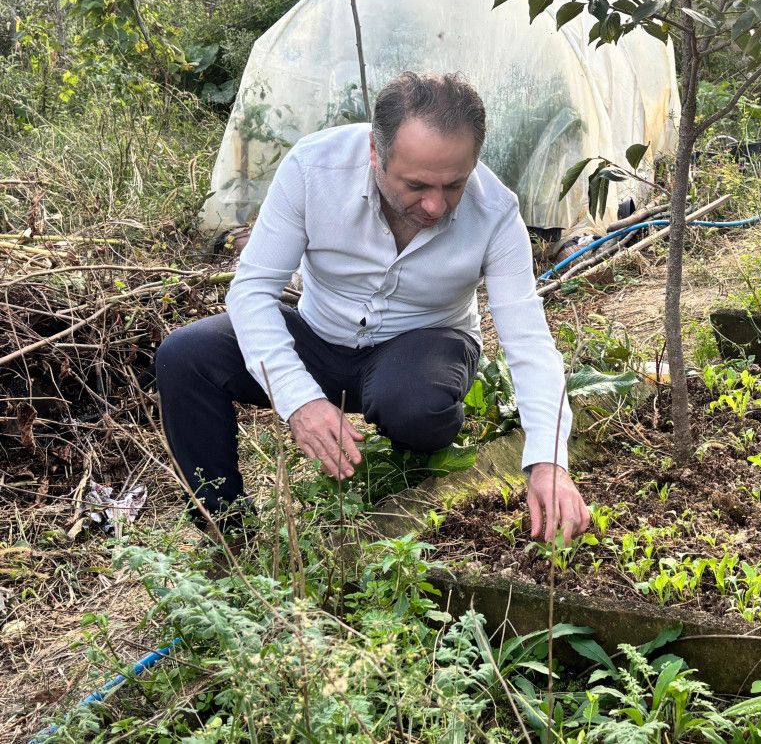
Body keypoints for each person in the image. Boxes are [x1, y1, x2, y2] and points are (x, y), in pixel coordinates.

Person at [156, 72, 591, 544]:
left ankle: (411, 470)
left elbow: (528, 340)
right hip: (319, 333)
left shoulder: (496, 212)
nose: (435, 206)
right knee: (185, 356)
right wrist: (299, 397)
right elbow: (252, 290)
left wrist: (547, 460)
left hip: (424, 344)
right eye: (417, 184)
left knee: (413, 402)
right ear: (374, 152)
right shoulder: (313, 170)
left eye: (454, 185)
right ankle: (226, 529)